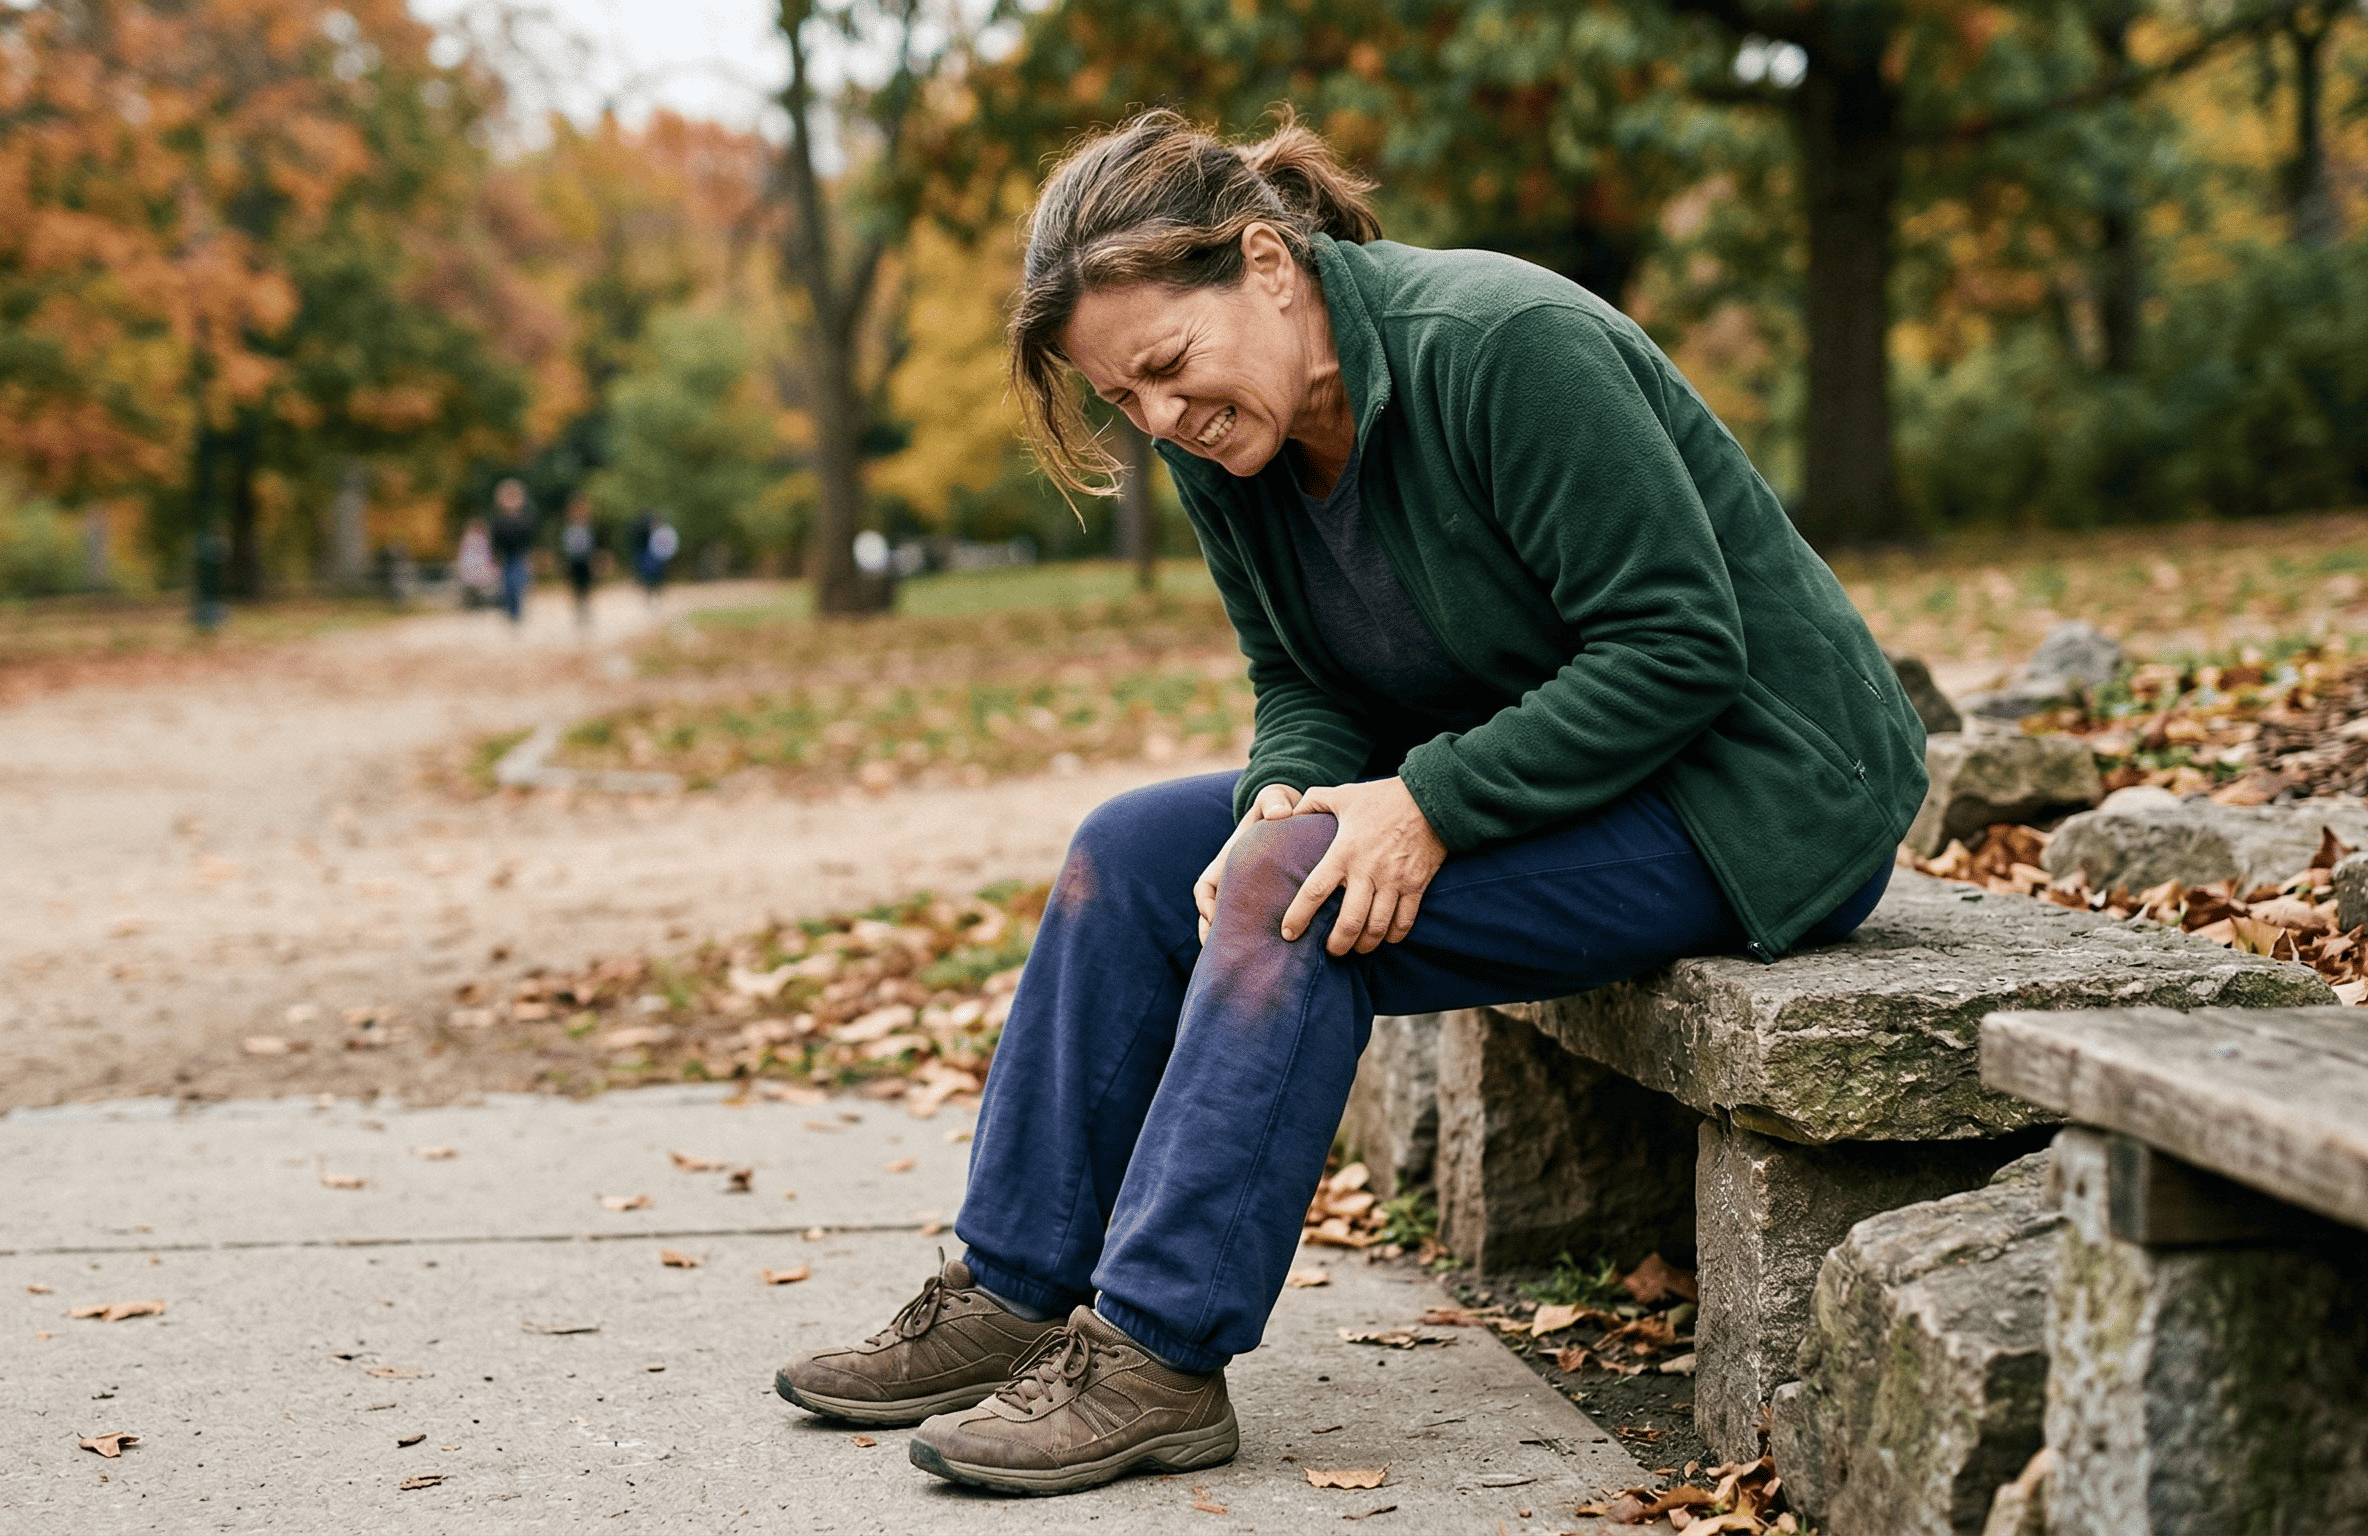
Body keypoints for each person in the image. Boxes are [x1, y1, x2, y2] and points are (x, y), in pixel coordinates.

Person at [771, 111, 1927, 1497]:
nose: (1159, 421)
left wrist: (1423, 803)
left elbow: (1678, 648)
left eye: (1166, 369)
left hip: (1757, 790)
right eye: (1121, 402)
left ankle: (1157, 1353)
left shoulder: (1502, 347)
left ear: (1267, 262)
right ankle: (1015, 1289)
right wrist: (1278, 795)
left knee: (1286, 893)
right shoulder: (1230, 440)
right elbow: (1304, 685)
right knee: (1133, 852)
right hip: (1571, 768)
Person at [486, 478, 537, 626]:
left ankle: (516, 611)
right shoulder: (499, 519)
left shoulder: (525, 516)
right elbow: (495, 539)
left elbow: (528, 536)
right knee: (508, 583)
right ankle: (512, 611)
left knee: (518, 581)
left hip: (520, 555)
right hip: (507, 556)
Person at [560, 493, 598, 628]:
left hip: (586, 560)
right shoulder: (569, 528)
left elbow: (594, 546)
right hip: (574, 561)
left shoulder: (589, 527)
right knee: (576, 587)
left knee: (587, 586)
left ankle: (586, 609)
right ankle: (579, 611)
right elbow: (565, 547)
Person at [635, 510, 679, 606]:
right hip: (652, 558)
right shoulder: (649, 532)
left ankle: (657, 594)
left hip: (660, 558)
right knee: (650, 578)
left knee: (658, 578)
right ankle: (651, 595)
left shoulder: (664, 532)